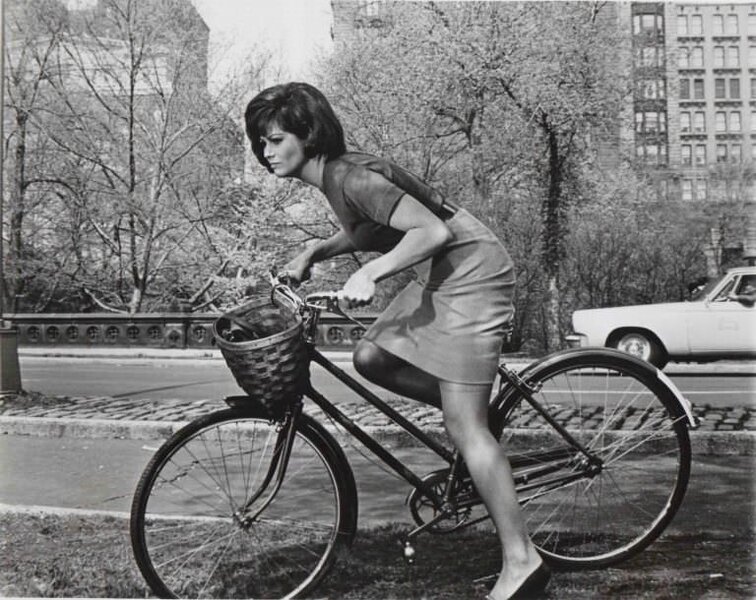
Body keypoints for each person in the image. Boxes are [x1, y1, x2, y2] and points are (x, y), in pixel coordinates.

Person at [244, 82, 550, 600]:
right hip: (445, 273)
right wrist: (314, 253)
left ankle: (523, 562)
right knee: (371, 357)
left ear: (308, 135)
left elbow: (432, 231)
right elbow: (370, 229)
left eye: (275, 139)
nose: (266, 152)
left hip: (474, 271)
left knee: (464, 426)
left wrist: (372, 276)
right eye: (262, 143)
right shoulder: (335, 179)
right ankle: (474, 412)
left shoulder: (350, 176)